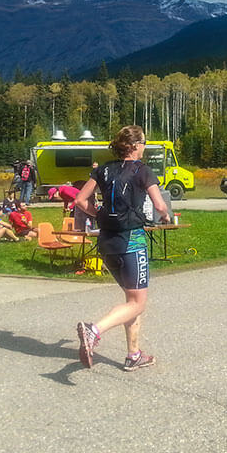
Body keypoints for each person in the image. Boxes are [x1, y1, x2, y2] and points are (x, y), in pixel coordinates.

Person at [72, 125, 171, 371]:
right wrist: (165, 216)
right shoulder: (143, 170)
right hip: (131, 242)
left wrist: (99, 215)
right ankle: (94, 331)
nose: (145, 147)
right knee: (138, 303)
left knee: (131, 299)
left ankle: (133, 355)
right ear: (135, 146)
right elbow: (160, 205)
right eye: (144, 142)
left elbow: (80, 200)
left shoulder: (103, 170)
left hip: (107, 242)